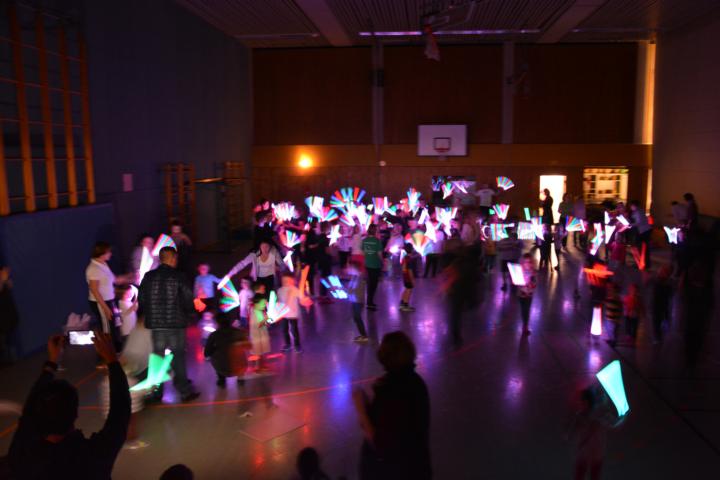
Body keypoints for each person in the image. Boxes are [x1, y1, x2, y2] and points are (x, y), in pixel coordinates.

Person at [8, 332, 130, 479]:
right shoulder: (93, 456)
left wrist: (51, 363)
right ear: (76, 414)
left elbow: (29, 409)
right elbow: (120, 413)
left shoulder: (21, 452)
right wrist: (112, 360)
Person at [353, 331, 431, 480]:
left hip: (394, 471)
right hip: (417, 468)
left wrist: (361, 409)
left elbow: (380, 443)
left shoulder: (390, 390)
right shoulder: (417, 382)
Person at [138, 247, 200, 403]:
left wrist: (150, 314)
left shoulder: (149, 276)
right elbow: (188, 298)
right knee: (178, 356)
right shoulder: (179, 276)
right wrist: (191, 314)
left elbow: (142, 299)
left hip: (157, 325)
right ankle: (184, 391)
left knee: (157, 358)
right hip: (176, 324)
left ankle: (156, 393)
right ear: (172, 258)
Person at [86, 242, 130, 352]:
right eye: (108, 252)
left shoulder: (103, 264)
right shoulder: (94, 268)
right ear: (102, 253)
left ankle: (115, 349)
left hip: (109, 300)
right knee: (106, 328)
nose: (110, 254)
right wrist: (105, 308)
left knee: (113, 326)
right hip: (101, 303)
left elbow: (114, 280)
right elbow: (94, 290)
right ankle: (106, 352)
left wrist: (130, 277)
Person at [204, 312, 246, 387]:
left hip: (222, 367)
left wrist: (216, 350)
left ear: (217, 322)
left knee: (216, 355)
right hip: (239, 366)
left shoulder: (214, 335)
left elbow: (206, 353)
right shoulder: (238, 332)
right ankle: (240, 379)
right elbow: (247, 346)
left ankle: (221, 379)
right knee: (240, 353)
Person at [277, 273, 302, 352]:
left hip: (293, 314)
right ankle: (287, 344)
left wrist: (305, 300)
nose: (285, 282)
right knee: (284, 330)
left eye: (287, 280)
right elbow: (279, 301)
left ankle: (297, 345)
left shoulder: (294, 289)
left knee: (294, 330)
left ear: (292, 281)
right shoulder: (280, 290)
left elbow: (301, 297)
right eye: (283, 280)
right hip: (283, 315)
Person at [0, 265, 19, 365]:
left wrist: (6, 278)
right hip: (2, 315)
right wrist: (3, 279)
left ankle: (10, 359)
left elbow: (10, 286)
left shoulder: (4, 276)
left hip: (8, 312)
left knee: (8, 336)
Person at [347, 260, 369, 342]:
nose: (348, 269)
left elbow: (355, 290)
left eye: (350, 268)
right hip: (354, 301)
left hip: (358, 302)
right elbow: (350, 289)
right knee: (356, 318)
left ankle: (364, 336)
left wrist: (346, 292)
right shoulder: (354, 277)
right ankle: (363, 335)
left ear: (354, 268)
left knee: (357, 318)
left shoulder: (360, 277)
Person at [362, 224, 383, 310]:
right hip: (375, 264)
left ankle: (369, 301)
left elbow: (363, 253)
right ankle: (370, 302)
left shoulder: (364, 240)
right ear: (375, 231)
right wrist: (383, 262)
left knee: (369, 283)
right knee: (374, 284)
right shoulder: (377, 241)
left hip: (367, 264)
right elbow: (379, 254)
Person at [249, 292, 271, 372]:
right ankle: (257, 367)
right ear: (256, 303)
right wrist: (265, 319)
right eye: (263, 303)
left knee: (261, 351)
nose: (264, 305)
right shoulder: (254, 311)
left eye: (265, 303)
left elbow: (263, 323)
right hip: (256, 335)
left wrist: (267, 321)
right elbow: (258, 324)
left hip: (261, 334)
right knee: (258, 352)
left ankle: (262, 365)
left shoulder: (259, 311)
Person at [517, 253, 537, 335]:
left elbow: (534, 284)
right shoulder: (520, 272)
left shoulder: (533, 273)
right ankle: (524, 324)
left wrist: (530, 283)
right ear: (522, 263)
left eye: (529, 262)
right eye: (525, 262)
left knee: (527, 310)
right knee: (523, 310)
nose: (527, 264)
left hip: (529, 295)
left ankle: (525, 326)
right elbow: (517, 283)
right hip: (521, 294)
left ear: (532, 263)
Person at [629, 200, 652, 269]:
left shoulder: (638, 212)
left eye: (631, 206)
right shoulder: (639, 211)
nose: (630, 207)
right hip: (644, 231)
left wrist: (630, 225)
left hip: (643, 231)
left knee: (641, 248)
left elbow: (638, 222)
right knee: (643, 248)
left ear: (634, 206)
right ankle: (644, 263)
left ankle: (642, 263)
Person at [604, 282, 623, 347]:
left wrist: (619, 317)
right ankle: (610, 339)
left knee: (613, 330)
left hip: (614, 318)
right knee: (608, 329)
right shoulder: (609, 297)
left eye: (612, 289)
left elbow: (620, 308)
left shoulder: (617, 298)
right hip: (609, 317)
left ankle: (614, 342)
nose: (610, 290)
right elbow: (606, 304)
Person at [400, 244, 417, 312]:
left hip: (405, 276)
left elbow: (403, 268)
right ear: (411, 250)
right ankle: (405, 305)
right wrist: (412, 279)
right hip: (408, 277)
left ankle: (402, 304)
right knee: (409, 290)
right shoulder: (410, 259)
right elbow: (410, 270)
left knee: (406, 289)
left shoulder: (405, 257)